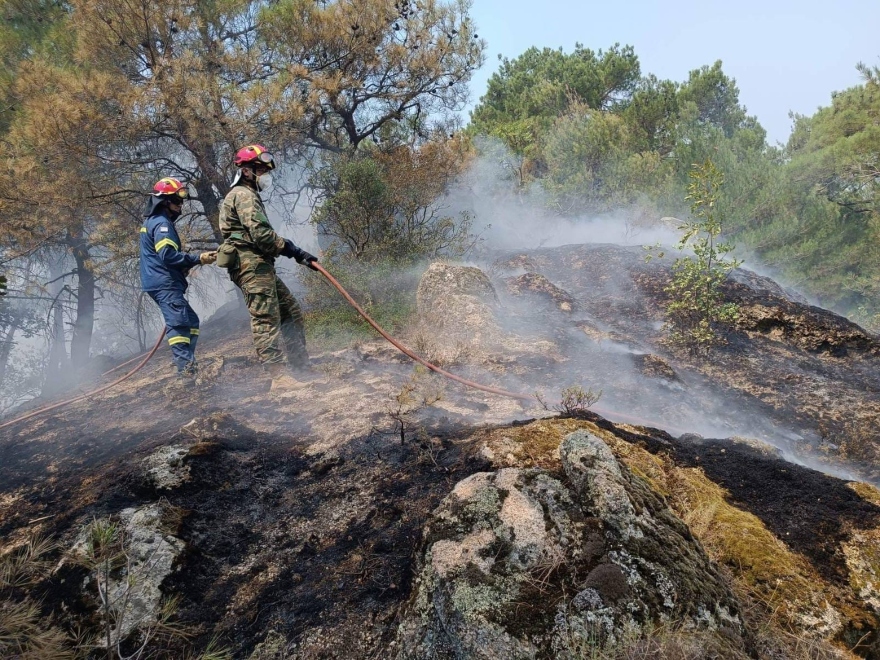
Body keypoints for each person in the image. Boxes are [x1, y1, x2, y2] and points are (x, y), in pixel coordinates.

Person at [218, 144, 318, 381]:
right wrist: (292, 249)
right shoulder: (243, 195)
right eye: (261, 170)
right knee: (266, 318)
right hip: (250, 265)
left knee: (290, 311)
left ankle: (300, 368)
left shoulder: (248, 195)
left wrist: (296, 252)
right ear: (246, 171)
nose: (265, 175)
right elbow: (261, 235)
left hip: (260, 265)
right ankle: (279, 378)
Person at [140, 177, 217, 377]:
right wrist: (197, 258)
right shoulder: (162, 224)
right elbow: (167, 255)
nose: (181, 205)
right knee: (180, 323)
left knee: (191, 321)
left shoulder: (152, 222)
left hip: (160, 282)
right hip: (164, 284)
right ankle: (186, 371)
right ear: (165, 201)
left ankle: (187, 363)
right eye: (177, 200)